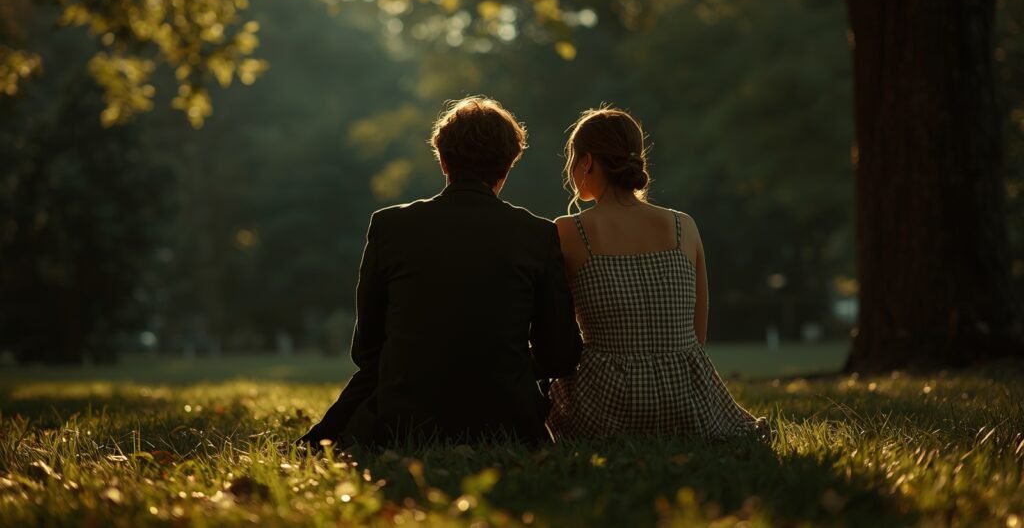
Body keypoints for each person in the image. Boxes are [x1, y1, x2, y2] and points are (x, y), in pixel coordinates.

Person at [299, 96, 582, 448]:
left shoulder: (390, 227)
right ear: (508, 166)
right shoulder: (537, 235)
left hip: (404, 420)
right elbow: (559, 355)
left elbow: (367, 349)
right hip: (506, 423)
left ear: (443, 161)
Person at [546, 107, 766, 439]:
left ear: (587, 162)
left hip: (605, 407)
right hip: (687, 401)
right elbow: (697, 335)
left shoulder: (569, 231)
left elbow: (557, 332)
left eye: (573, 159)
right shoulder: (683, 226)